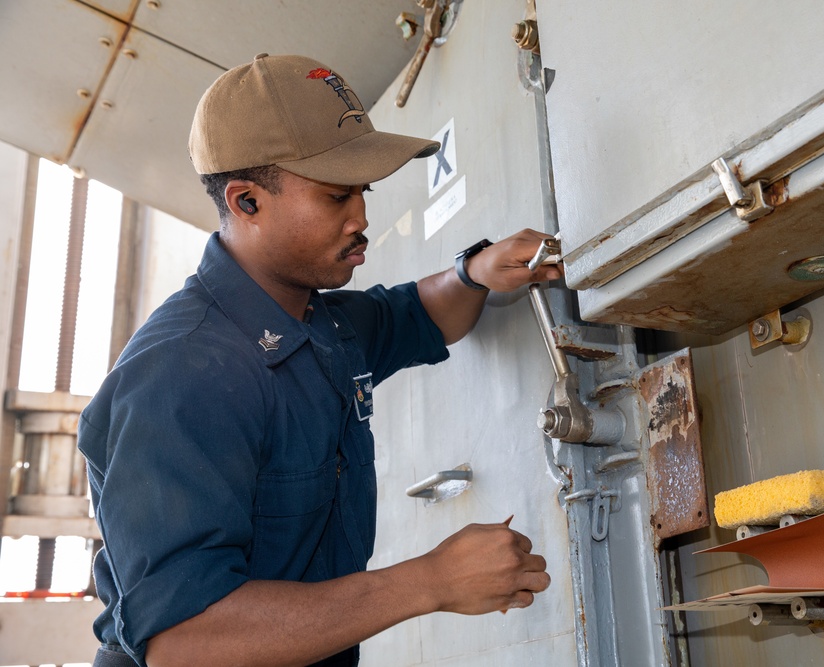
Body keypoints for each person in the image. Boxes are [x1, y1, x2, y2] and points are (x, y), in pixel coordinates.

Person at [78, 53, 560, 667]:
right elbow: (185, 642)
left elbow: (420, 313)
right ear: (247, 201)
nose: (361, 217)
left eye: (362, 190)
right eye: (337, 196)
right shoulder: (181, 373)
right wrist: (430, 582)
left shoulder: (318, 319)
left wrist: (475, 273)